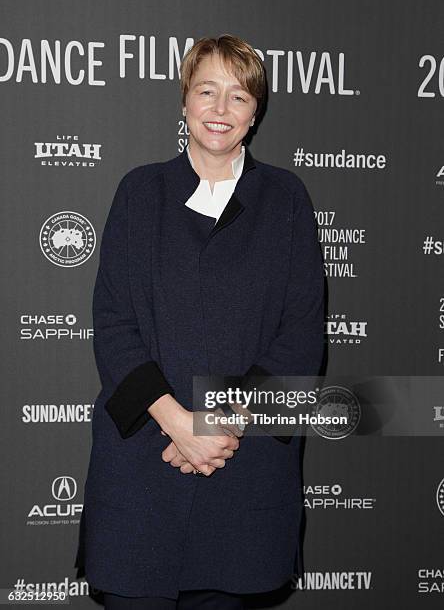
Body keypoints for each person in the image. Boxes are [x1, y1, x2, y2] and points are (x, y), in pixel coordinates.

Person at [74, 34, 325, 609]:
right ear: (184, 100)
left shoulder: (285, 198)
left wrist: (214, 423)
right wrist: (179, 423)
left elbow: (302, 332)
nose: (220, 109)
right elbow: (112, 323)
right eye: (206, 91)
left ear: (255, 111)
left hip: (242, 470)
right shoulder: (140, 191)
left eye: (238, 96)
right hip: (142, 469)